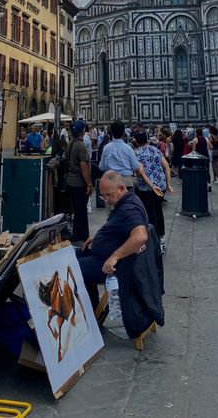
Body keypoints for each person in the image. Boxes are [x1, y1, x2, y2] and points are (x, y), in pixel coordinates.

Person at [76, 171, 149, 308]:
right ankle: (92, 307)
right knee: (70, 256)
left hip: (119, 266)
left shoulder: (129, 208)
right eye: (103, 196)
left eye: (109, 195)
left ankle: (91, 314)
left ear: (122, 188)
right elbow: (118, 227)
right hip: (104, 253)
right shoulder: (125, 201)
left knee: (74, 269)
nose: (106, 200)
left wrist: (114, 257)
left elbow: (141, 236)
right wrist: (97, 237)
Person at [134, 131, 173, 250]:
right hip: (161, 186)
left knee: (151, 214)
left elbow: (139, 172)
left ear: (136, 141)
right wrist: (169, 183)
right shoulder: (155, 150)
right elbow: (166, 166)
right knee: (158, 211)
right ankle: (162, 238)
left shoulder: (137, 153)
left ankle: (155, 242)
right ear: (147, 139)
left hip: (147, 188)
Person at [99, 120, 161, 193]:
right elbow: (135, 166)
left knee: (112, 203)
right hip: (126, 183)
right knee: (127, 203)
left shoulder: (106, 147)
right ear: (123, 133)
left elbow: (101, 166)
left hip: (111, 182)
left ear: (111, 133)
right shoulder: (128, 148)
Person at [66, 119, 93, 243]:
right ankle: (80, 236)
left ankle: (78, 234)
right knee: (81, 210)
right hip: (79, 183)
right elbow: (84, 166)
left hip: (70, 181)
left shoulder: (70, 144)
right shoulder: (81, 146)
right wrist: (89, 183)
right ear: (82, 131)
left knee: (77, 209)